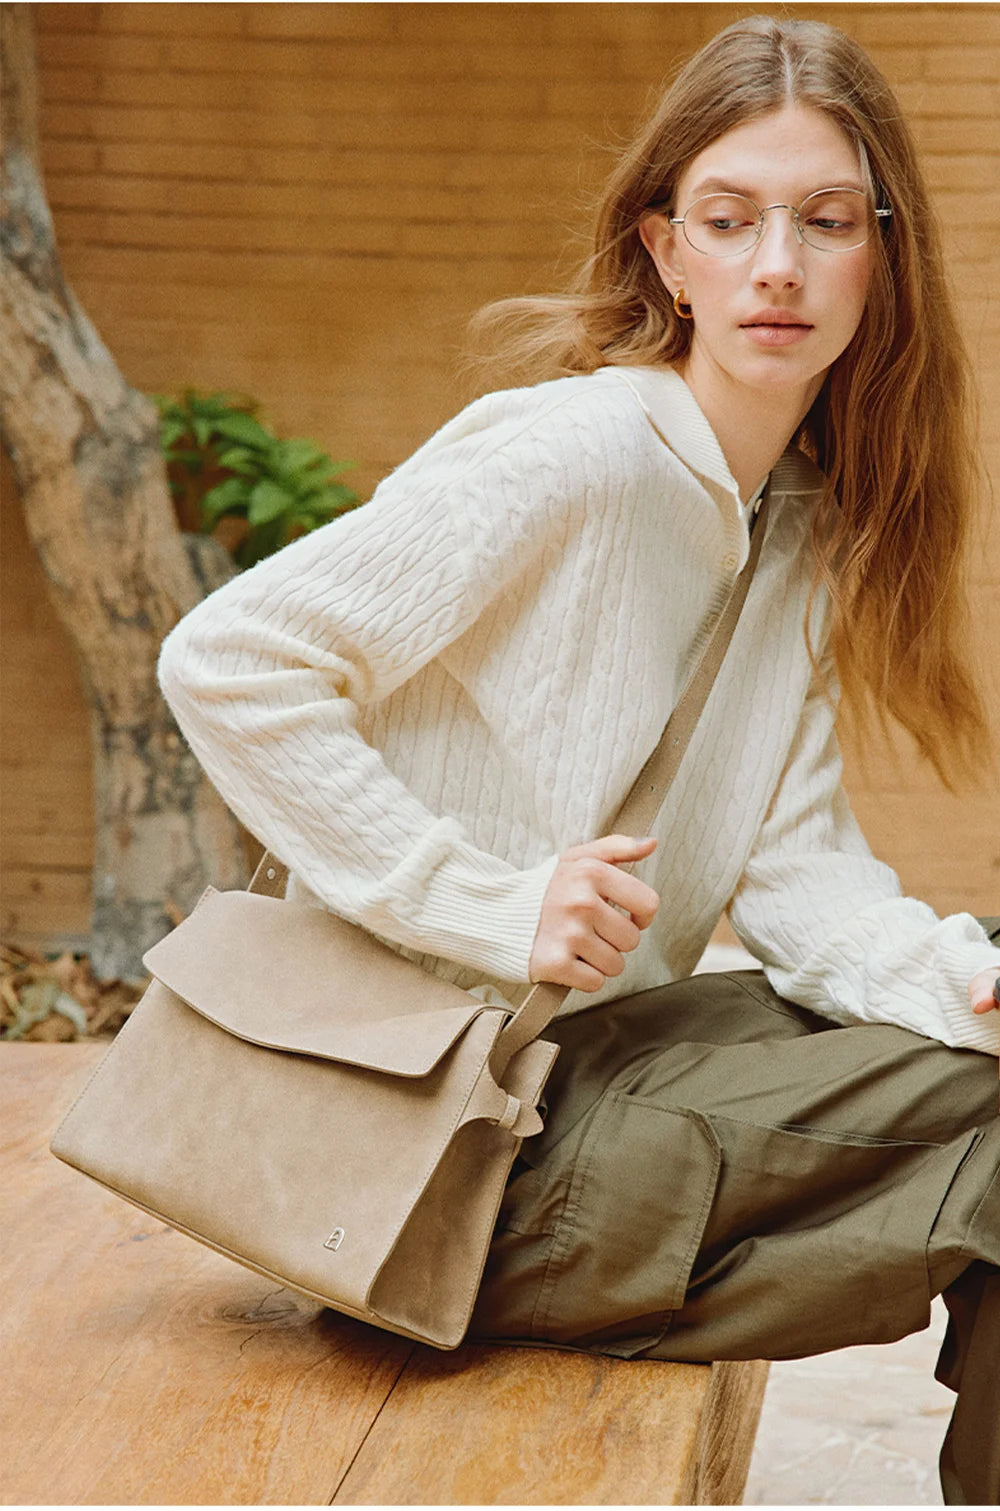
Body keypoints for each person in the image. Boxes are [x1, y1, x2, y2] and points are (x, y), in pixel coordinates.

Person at [156, 16, 1000, 1502]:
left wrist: (962, 986)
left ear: (884, 254)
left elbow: (801, 880)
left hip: (584, 1079)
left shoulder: (798, 522)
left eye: (825, 222)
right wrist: (485, 901)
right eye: (730, 221)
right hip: (432, 1151)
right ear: (667, 253)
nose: (779, 268)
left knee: (974, 1004)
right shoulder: (576, 452)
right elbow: (231, 657)